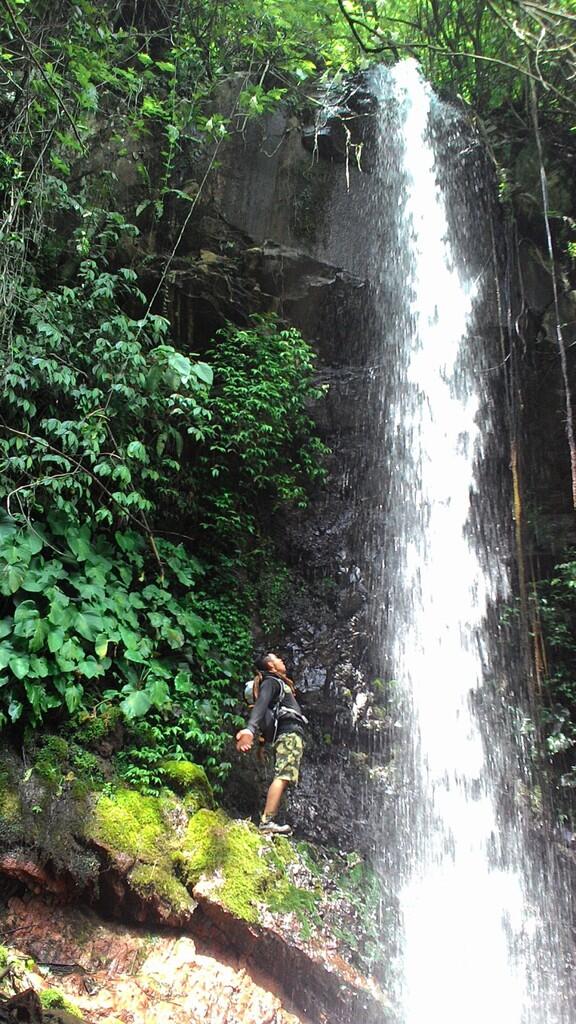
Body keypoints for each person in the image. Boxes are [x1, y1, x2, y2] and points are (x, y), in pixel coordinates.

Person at [236, 652, 307, 835]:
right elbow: (262, 704)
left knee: (284, 775)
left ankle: (269, 820)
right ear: (271, 666)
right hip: (288, 733)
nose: (282, 659)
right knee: (283, 775)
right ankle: (267, 821)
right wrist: (250, 729)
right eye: (277, 658)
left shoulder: (279, 683)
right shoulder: (272, 681)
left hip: (290, 733)